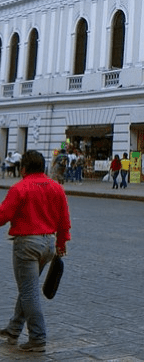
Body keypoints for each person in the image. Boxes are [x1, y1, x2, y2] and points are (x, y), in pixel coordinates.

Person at [0, 149, 72, 353]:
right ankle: (13, 329)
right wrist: (61, 243)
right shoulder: (56, 187)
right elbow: (64, 219)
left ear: (23, 168)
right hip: (48, 245)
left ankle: (38, 337)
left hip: (26, 246)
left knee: (28, 291)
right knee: (28, 287)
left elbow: (3, 216)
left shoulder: (20, 188)